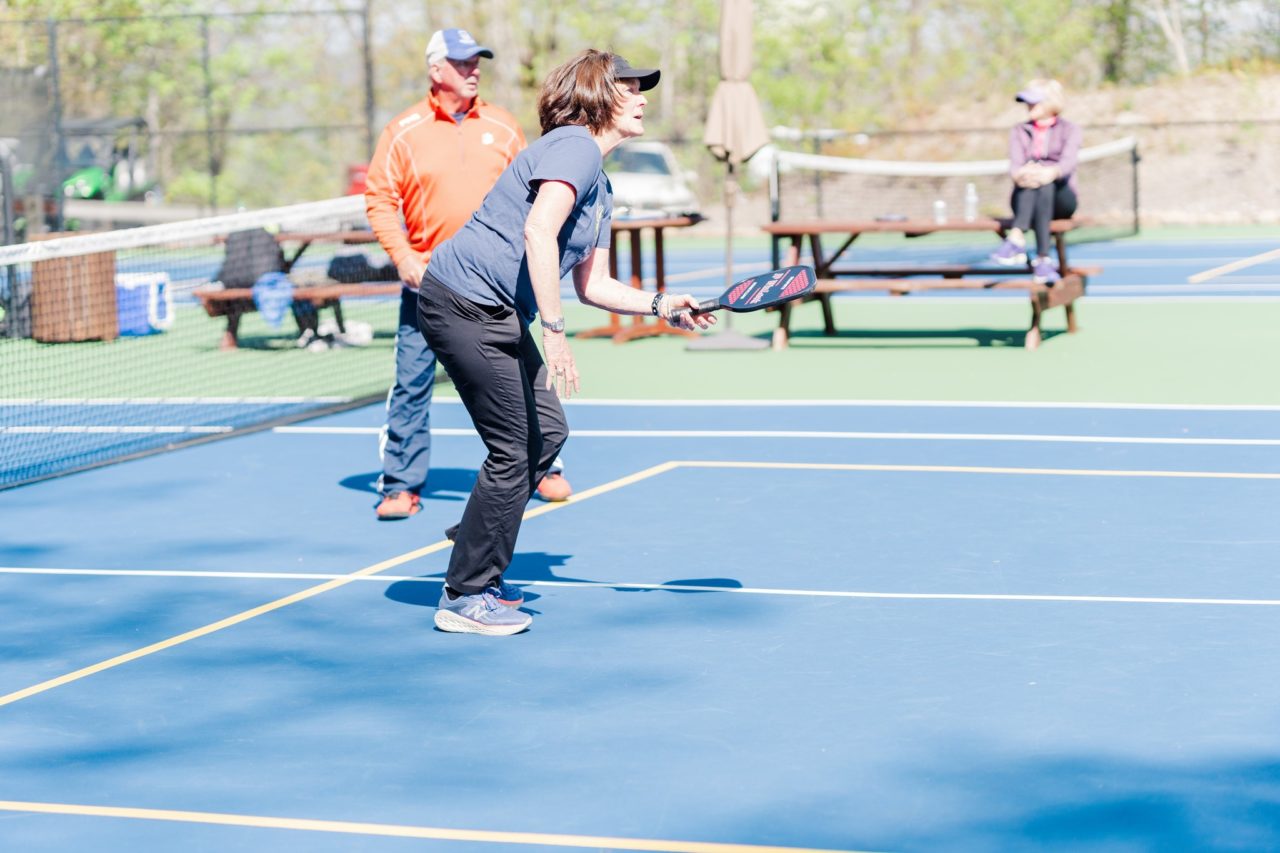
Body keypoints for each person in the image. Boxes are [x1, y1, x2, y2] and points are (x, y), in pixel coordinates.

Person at [419, 49, 716, 635]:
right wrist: (553, 334)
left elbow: (595, 284)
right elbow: (538, 229)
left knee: (548, 433)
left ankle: (481, 531)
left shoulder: (599, 183)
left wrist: (661, 305)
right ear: (601, 95)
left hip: (495, 311)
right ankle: (466, 595)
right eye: (631, 89)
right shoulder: (574, 145)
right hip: (461, 301)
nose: (642, 99)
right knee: (514, 448)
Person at [363, 27, 572, 521]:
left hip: (496, 287)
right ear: (436, 71)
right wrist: (404, 256)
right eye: (462, 63)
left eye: (477, 61)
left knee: (520, 378)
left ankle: (543, 465)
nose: (473, 69)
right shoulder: (401, 131)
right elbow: (379, 199)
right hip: (428, 287)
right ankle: (401, 484)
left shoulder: (502, 127)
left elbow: (532, 193)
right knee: (412, 383)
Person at [988, 79, 1082, 284]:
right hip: (1025, 197)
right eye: (1027, 103)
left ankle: (1016, 238)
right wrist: (1023, 174)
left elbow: (1067, 164)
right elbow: (1015, 166)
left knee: (1045, 184)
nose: (1029, 107)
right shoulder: (1019, 131)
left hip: (1061, 198)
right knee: (1035, 184)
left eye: (1034, 102)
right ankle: (1042, 260)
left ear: (1050, 103)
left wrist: (1048, 173)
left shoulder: (1070, 129)